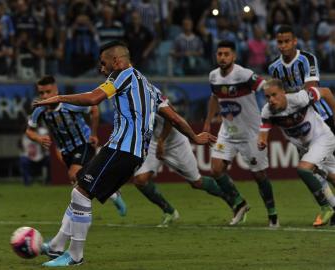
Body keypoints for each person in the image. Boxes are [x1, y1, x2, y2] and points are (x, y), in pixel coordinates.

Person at [32, 41, 216, 267]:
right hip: (134, 153)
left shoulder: (122, 75)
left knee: (80, 195)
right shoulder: (150, 87)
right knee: (80, 192)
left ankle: (75, 255)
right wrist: (195, 137)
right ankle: (56, 246)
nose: (101, 69)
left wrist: (59, 98)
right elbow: (174, 117)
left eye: (103, 63)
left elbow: (93, 98)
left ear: (117, 61)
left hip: (122, 147)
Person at [26, 75, 128, 259]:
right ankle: (112, 193)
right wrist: (38, 138)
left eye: (48, 91)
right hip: (66, 151)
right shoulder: (40, 110)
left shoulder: (70, 105)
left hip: (83, 144)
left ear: (56, 91)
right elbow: (29, 130)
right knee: (81, 183)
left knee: (77, 180)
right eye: (41, 92)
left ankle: (58, 245)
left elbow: (94, 109)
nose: (44, 95)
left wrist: (95, 134)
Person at [204, 40, 279, 227]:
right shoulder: (213, 76)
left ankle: (273, 215)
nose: (222, 57)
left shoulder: (244, 75)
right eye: (219, 54)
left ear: (234, 56)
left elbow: (264, 86)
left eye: (226, 54)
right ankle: (239, 203)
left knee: (259, 175)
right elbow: (214, 97)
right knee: (215, 169)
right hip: (227, 132)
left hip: (251, 133)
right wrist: (207, 121)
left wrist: (277, 97)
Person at [268, 24, 335, 226]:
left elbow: (311, 90)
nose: (283, 46)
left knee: (320, 167)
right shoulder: (273, 68)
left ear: (294, 41)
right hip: (299, 125)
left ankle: (331, 207)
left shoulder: (307, 59)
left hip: (322, 118)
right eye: (279, 42)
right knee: (319, 170)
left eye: (287, 41)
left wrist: (289, 101)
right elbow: (278, 96)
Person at [133, 98, 234, 227]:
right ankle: (170, 212)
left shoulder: (152, 94)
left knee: (197, 182)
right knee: (140, 180)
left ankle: (233, 200)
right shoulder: (128, 98)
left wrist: (161, 141)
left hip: (174, 141)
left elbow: (172, 117)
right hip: (154, 141)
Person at [258, 79, 335, 226]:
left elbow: (326, 92)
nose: (271, 100)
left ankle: (325, 207)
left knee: (304, 169)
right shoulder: (268, 111)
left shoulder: (301, 98)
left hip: (322, 138)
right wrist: (262, 141)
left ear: (283, 93)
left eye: (274, 95)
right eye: (268, 97)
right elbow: (263, 131)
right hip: (305, 148)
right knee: (330, 176)